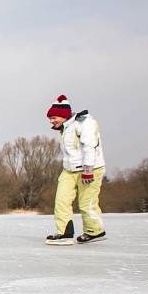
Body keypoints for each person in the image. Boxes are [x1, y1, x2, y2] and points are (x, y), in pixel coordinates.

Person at [45, 95, 107, 245]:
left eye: (54, 117)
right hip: (69, 170)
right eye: (50, 118)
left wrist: (88, 170)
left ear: (64, 115)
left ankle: (95, 231)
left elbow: (89, 146)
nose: (52, 121)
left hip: (90, 169)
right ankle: (65, 233)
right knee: (61, 200)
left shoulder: (85, 123)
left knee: (86, 203)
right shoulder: (65, 127)